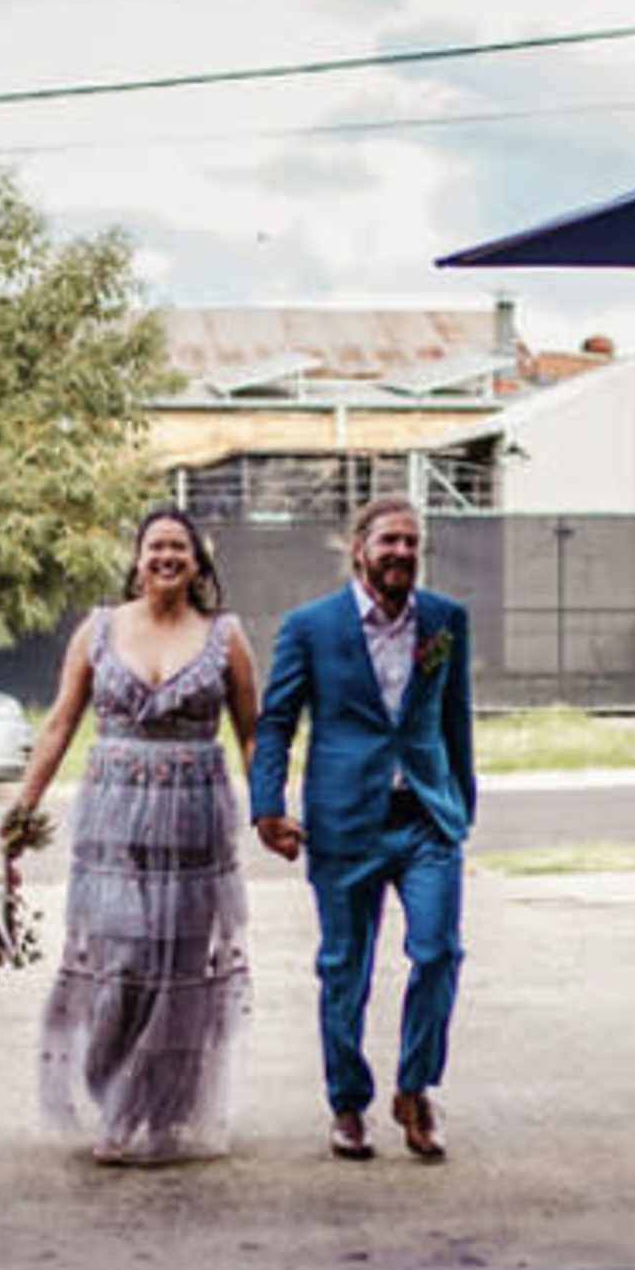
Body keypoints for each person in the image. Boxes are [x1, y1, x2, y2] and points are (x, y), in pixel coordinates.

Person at [9, 506, 261, 1166]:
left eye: (180, 548)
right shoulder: (98, 629)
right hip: (114, 820)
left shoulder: (226, 636)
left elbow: (253, 731)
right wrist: (21, 811)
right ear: (138, 558)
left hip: (195, 820)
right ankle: (110, 1092)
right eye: (156, 547)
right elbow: (61, 724)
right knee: (121, 964)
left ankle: (153, 1114)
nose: (167, 558)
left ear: (198, 563)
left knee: (179, 972)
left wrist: (271, 810)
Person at [249, 498, 476, 1165]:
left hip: (425, 821)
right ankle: (348, 1103)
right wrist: (268, 804)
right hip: (346, 822)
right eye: (389, 541)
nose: (403, 552)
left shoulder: (444, 621)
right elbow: (277, 721)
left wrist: (462, 802)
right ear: (358, 549)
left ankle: (414, 1089)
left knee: (439, 952)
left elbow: (454, 715)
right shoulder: (310, 627)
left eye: (412, 542)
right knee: (345, 968)